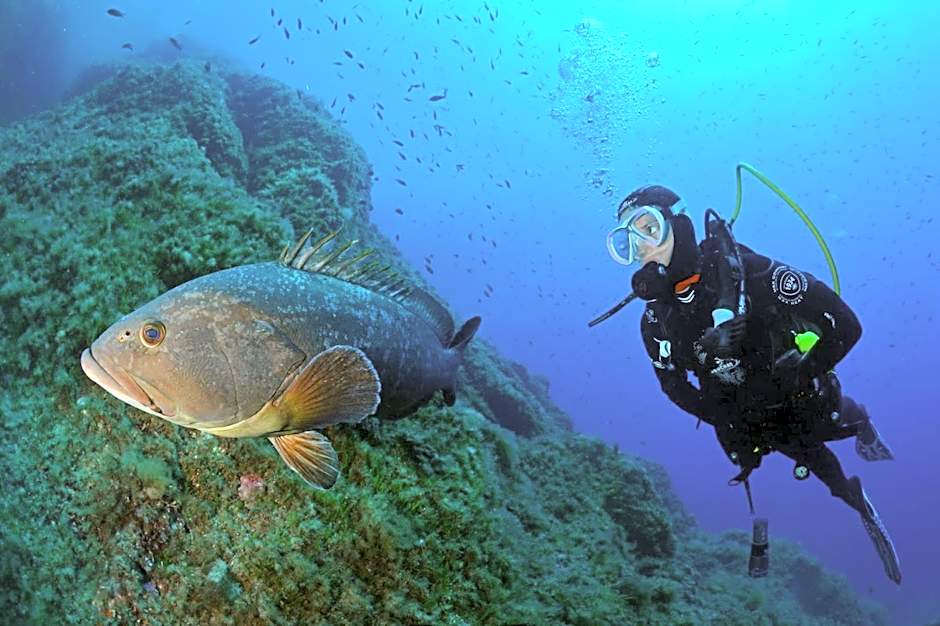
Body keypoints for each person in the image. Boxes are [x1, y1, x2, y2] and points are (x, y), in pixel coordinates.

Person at [607, 184, 902, 584]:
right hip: (745, 417)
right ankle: (852, 498)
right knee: (806, 455)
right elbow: (671, 385)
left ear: (678, 224)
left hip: (799, 391)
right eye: (628, 241)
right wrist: (724, 416)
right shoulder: (655, 321)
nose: (641, 248)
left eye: (648, 228)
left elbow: (846, 325)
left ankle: (862, 425)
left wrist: (802, 370)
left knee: (833, 418)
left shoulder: (754, 274)